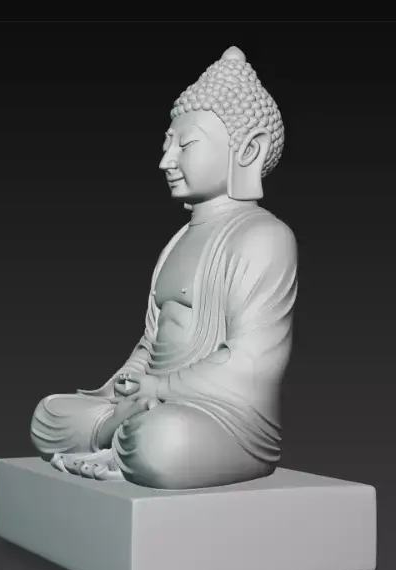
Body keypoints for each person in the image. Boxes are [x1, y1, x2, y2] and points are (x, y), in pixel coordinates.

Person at [30, 46, 298, 489]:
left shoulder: (264, 237)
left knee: (162, 441)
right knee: (49, 416)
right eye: (166, 144)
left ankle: (122, 443)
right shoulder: (177, 241)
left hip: (223, 417)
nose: (166, 161)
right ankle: (119, 437)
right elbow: (151, 342)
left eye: (185, 145)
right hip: (153, 399)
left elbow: (251, 364)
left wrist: (159, 389)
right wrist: (130, 383)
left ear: (248, 151)